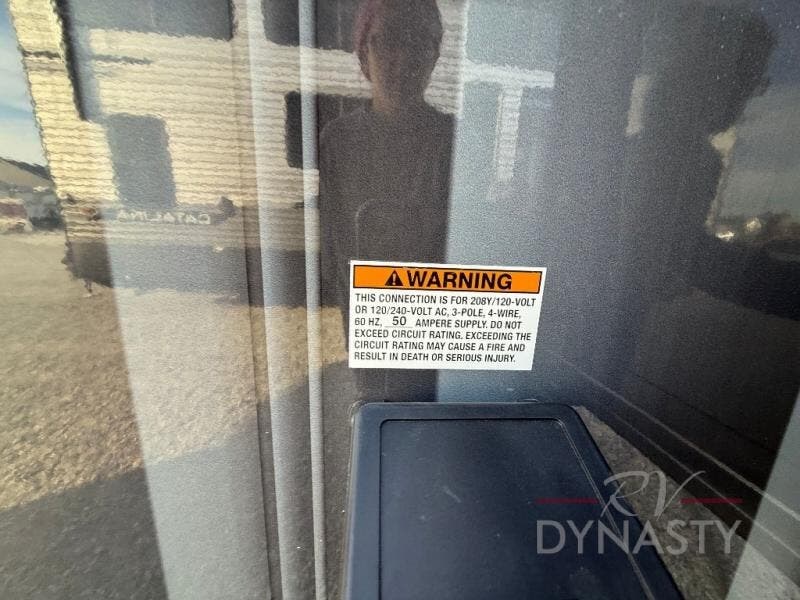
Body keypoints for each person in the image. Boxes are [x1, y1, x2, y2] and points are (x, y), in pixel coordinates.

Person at [319, 0, 454, 402]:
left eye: (419, 42)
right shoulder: (339, 141)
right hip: (371, 331)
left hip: (439, 332)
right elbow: (337, 250)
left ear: (434, 55)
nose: (404, 58)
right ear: (364, 52)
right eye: (389, 40)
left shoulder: (456, 142)